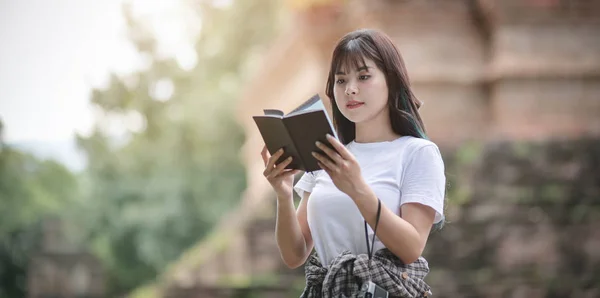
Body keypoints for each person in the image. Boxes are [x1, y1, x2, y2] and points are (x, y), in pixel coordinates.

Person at [261, 28, 446, 298]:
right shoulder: (328, 154)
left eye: (363, 76)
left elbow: (411, 247)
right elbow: (294, 255)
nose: (350, 89)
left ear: (391, 81)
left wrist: (357, 188)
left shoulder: (418, 153)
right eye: (341, 80)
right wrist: (283, 195)